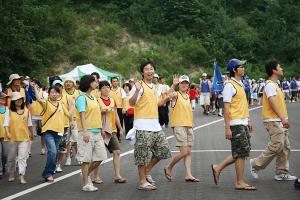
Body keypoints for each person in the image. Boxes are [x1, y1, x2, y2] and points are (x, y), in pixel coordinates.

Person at [211, 59, 256, 190]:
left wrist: (248, 120)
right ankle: (239, 182)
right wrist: (227, 128)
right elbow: (226, 108)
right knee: (241, 153)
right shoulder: (229, 85)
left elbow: (243, 105)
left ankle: (217, 168)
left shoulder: (240, 84)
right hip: (235, 123)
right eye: (240, 67)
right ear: (234, 70)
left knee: (241, 151)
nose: (243, 68)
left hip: (242, 121)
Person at [249, 61, 296, 181]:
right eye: (280, 67)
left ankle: (281, 172)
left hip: (279, 120)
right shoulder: (270, 85)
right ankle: (255, 164)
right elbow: (272, 102)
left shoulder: (275, 84)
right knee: (277, 145)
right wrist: (282, 118)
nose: (282, 68)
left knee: (285, 146)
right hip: (273, 120)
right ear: (274, 70)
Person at [129, 61, 171, 191]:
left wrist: (166, 99)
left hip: (155, 125)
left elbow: (156, 104)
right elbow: (131, 103)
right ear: (142, 72)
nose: (149, 71)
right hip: (142, 125)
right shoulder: (139, 86)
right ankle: (142, 181)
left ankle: (146, 171)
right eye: (146, 69)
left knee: (163, 151)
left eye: (151, 69)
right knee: (142, 155)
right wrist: (136, 91)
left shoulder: (153, 87)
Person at [164, 75, 199, 182]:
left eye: (186, 83)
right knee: (184, 152)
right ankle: (169, 166)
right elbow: (169, 94)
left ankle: (188, 174)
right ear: (179, 84)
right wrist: (173, 85)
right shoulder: (176, 95)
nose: (184, 85)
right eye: (182, 83)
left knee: (188, 152)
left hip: (188, 125)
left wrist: (192, 123)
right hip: (179, 125)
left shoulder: (187, 96)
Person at [75, 75, 107, 192]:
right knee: (86, 159)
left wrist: (101, 129)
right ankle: (86, 184)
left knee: (101, 157)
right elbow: (82, 115)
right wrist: (85, 131)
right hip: (87, 132)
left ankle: (85, 174)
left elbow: (97, 115)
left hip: (97, 131)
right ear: (88, 83)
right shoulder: (81, 98)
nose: (96, 82)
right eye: (94, 81)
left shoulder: (93, 96)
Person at [35, 85, 70, 182]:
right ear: (49, 94)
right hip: (48, 132)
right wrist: (35, 89)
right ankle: (48, 173)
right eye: (52, 92)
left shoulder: (61, 104)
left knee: (54, 154)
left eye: (56, 92)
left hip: (59, 132)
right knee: (53, 152)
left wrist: (71, 105)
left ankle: (48, 172)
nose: (54, 94)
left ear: (59, 94)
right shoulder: (46, 103)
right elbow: (38, 99)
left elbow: (69, 115)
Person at [93, 80, 126, 184]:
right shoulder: (97, 100)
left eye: (107, 87)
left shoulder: (112, 100)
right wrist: (103, 111)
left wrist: (120, 129)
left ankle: (117, 175)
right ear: (100, 90)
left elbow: (115, 115)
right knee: (98, 155)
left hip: (111, 130)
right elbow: (94, 113)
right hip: (100, 131)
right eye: (103, 87)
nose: (106, 89)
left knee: (117, 152)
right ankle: (95, 176)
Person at [4, 92, 33, 184]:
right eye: (16, 99)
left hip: (24, 138)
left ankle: (22, 176)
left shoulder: (27, 110)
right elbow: (5, 124)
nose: (19, 100)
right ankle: (11, 173)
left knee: (22, 157)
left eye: (20, 99)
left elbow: (29, 124)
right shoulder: (9, 111)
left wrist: (31, 134)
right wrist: (7, 132)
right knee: (11, 158)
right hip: (12, 138)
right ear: (13, 101)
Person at [62, 77, 80, 166]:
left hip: (76, 119)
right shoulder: (61, 92)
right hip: (64, 119)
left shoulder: (78, 93)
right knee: (67, 140)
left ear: (73, 83)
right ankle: (68, 157)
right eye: (66, 82)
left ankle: (78, 156)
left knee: (76, 139)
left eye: (70, 82)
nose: (68, 83)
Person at [109, 77, 126, 142]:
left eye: (116, 81)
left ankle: (120, 136)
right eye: (114, 81)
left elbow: (123, 99)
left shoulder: (121, 89)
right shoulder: (109, 90)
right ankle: (113, 136)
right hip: (111, 108)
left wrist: (124, 108)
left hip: (119, 108)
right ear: (111, 82)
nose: (115, 82)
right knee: (112, 122)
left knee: (119, 122)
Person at [0, 92, 8, 179]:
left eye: (5, 98)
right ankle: (0, 171)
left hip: (5, 135)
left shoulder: (7, 109)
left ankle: (4, 166)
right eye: (2, 98)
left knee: (5, 154)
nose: (4, 100)